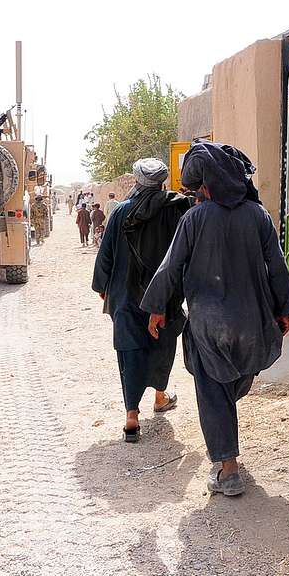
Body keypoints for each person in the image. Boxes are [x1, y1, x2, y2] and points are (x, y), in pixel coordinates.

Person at [141, 142, 289, 496]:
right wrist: (283, 309)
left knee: (213, 391)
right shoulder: (258, 216)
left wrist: (157, 307)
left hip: (209, 325)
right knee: (234, 381)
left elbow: (171, 266)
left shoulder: (194, 219)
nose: (196, 195)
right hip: (254, 323)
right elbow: (278, 268)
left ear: (207, 185)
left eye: (198, 189)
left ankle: (228, 469)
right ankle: (226, 449)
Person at [92, 159, 193, 441]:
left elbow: (106, 254)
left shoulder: (122, 211)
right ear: (162, 181)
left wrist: (103, 287)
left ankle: (131, 417)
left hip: (125, 294)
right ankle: (160, 396)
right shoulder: (176, 209)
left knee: (130, 351)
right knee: (162, 344)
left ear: (137, 181)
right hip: (164, 296)